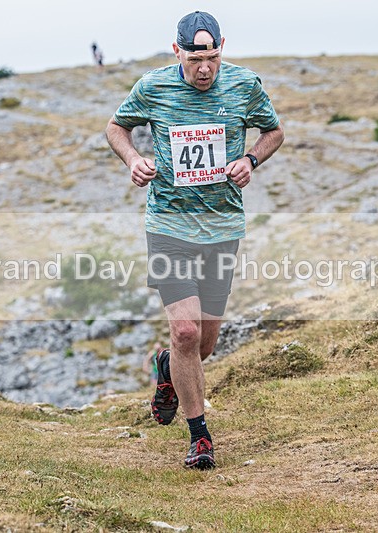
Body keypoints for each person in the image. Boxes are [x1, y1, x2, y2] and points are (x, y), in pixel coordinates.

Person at [105, 10, 284, 469]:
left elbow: (274, 131)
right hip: (168, 226)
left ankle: (167, 367)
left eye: (213, 57)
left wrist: (250, 160)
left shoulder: (244, 85)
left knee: (202, 346)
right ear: (177, 51)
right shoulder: (154, 86)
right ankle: (199, 437)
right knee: (184, 331)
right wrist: (132, 159)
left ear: (222, 47)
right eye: (194, 59)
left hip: (222, 228)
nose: (204, 69)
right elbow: (116, 127)